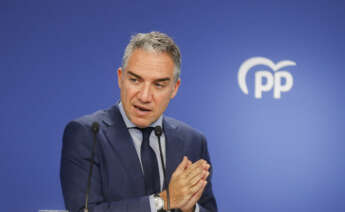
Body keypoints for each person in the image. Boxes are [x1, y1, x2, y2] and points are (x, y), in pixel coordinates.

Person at [60, 31, 217, 212]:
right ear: (121, 78)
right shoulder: (88, 134)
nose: (144, 96)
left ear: (175, 88)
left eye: (158, 85)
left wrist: (189, 209)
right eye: (135, 80)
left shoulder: (193, 141)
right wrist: (163, 201)